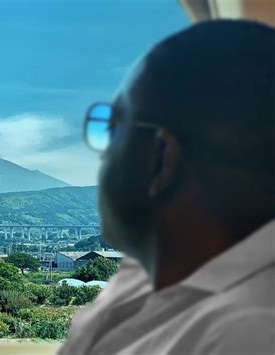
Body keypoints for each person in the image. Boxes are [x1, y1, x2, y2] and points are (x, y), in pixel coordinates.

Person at [59, 20, 274, 355]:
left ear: (159, 157)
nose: (101, 154)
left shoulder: (247, 333)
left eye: (114, 129)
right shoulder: (155, 277)